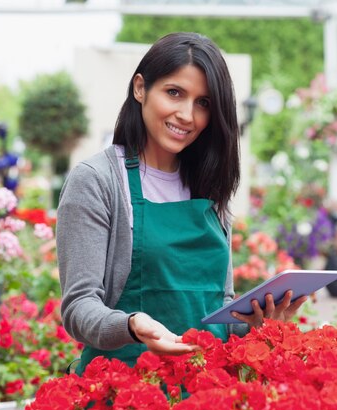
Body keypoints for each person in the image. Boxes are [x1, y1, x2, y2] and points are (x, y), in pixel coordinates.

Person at [57, 32, 307, 374]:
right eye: (174, 93)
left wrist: (258, 319)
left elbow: (217, 308)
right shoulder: (97, 180)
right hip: (126, 388)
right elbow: (79, 308)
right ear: (141, 88)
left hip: (207, 390)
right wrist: (131, 325)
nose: (187, 115)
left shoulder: (210, 185)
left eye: (203, 103)